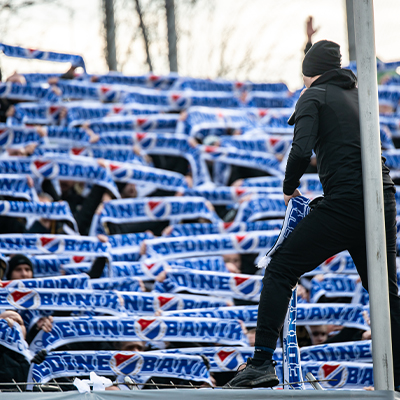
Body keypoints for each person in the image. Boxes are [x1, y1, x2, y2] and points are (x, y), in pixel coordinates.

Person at [225, 40, 400, 389]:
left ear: (309, 73)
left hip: (349, 202)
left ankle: (260, 362)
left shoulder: (313, 96)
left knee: (280, 268)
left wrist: (289, 188)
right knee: (385, 292)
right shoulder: (355, 95)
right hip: (382, 201)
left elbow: (301, 148)